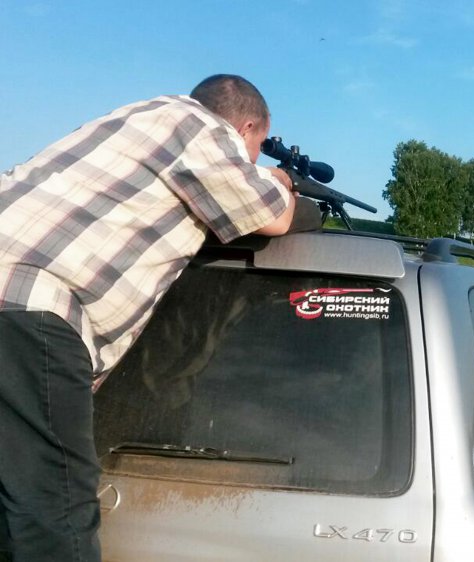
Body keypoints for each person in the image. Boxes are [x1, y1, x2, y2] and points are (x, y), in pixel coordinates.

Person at [0, 74, 298, 562]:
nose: (251, 160)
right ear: (246, 127)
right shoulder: (199, 127)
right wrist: (283, 182)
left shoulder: (134, 117)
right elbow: (274, 216)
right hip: (28, 306)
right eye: (256, 149)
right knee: (56, 516)